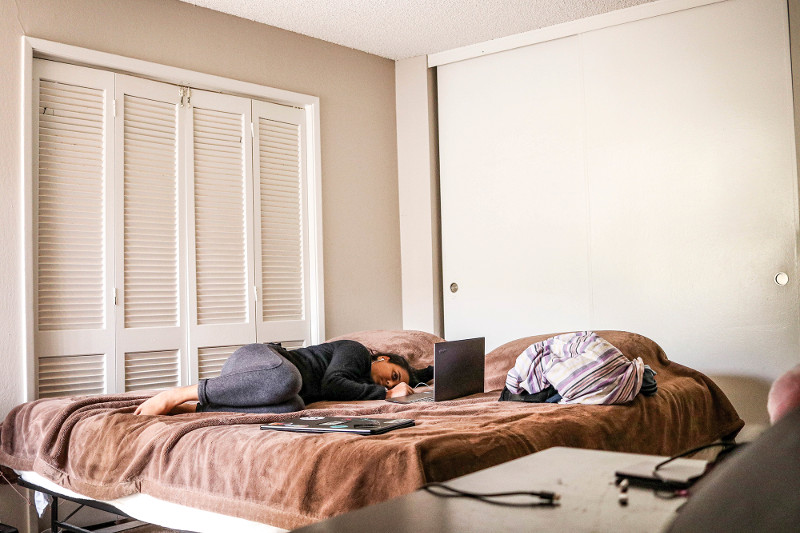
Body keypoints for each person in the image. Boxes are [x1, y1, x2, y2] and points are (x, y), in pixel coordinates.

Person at [134, 340, 432, 416]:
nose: (389, 383)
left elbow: (426, 372)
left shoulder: (362, 385)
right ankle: (177, 394)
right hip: (262, 362)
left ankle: (197, 409)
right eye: (392, 374)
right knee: (288, 381)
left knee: (292, 408)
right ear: (382, 359)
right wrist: (386, 396)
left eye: (394, 383)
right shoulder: (357, 352)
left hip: (263, 389)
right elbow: (333, 384)